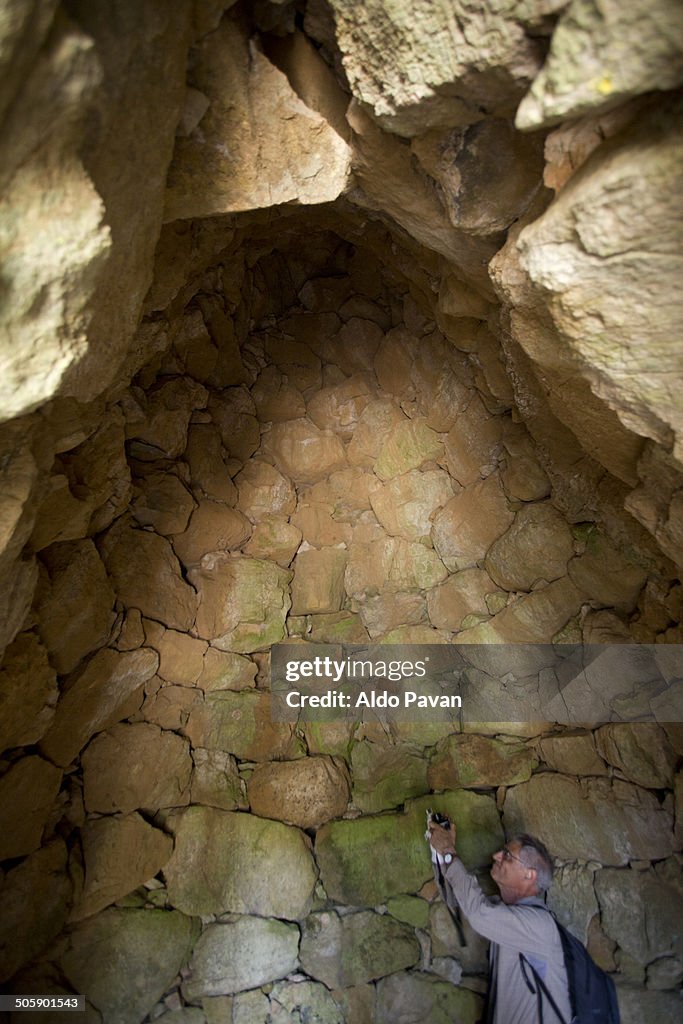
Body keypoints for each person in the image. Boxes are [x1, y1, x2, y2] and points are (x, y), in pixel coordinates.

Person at [429, 819, 571, 1024]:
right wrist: (441, 853)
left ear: (529, 875)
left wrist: (449, 851)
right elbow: (460, 900)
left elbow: (478, 912)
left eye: (506, 856)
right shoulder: (507, 913)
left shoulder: (540, 925)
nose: (495, 856)